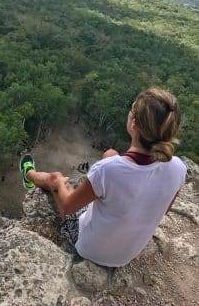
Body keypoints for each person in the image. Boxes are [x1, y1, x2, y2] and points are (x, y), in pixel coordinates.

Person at [19, 88, 186, 267]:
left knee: (56, 178)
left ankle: (29, 175)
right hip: (125, 256)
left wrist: (60, 184)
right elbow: (163, 210)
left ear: (134, 123)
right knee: (111, 153)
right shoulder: (178, 168)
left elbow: (68, 207)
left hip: (91, 249)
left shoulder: (107, 171)